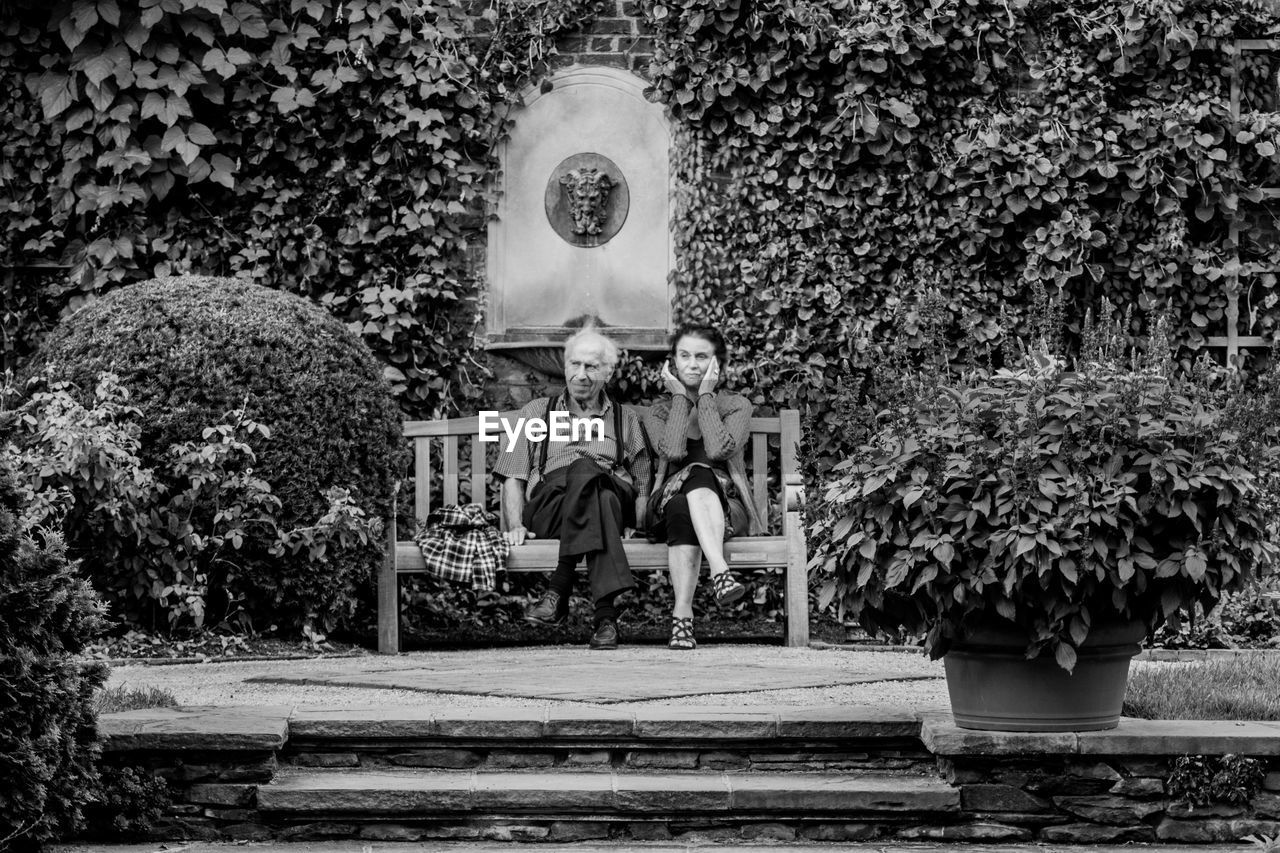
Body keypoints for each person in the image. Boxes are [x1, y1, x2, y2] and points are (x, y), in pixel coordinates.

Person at [494, 326, 652, 650]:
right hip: (551, 505)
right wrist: (515, 526)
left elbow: (642, 480)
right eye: (574, 364)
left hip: (612, 494)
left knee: (594, 478)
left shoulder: (626, 419)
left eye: (591, 366)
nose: (581, 374)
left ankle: (557, 591)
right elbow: (514, 476)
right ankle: (605, 619)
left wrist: (640, 524)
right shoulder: (535, 413)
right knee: (598, 492)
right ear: (565, 367)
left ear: (607, 372)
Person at [645, 324, 765, 650]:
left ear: (716, 364)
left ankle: (681, 618)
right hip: (666, 507)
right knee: (687, 489)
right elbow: (671, 452)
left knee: (700, 474)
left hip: (727, 509)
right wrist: (682, 400)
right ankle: (721, 573)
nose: (692, 364)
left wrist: (707, 396)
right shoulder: (659, 410)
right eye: (684, 356)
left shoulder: (737, 405)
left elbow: (718, 451)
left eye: (701, 357)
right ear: (673, 362)